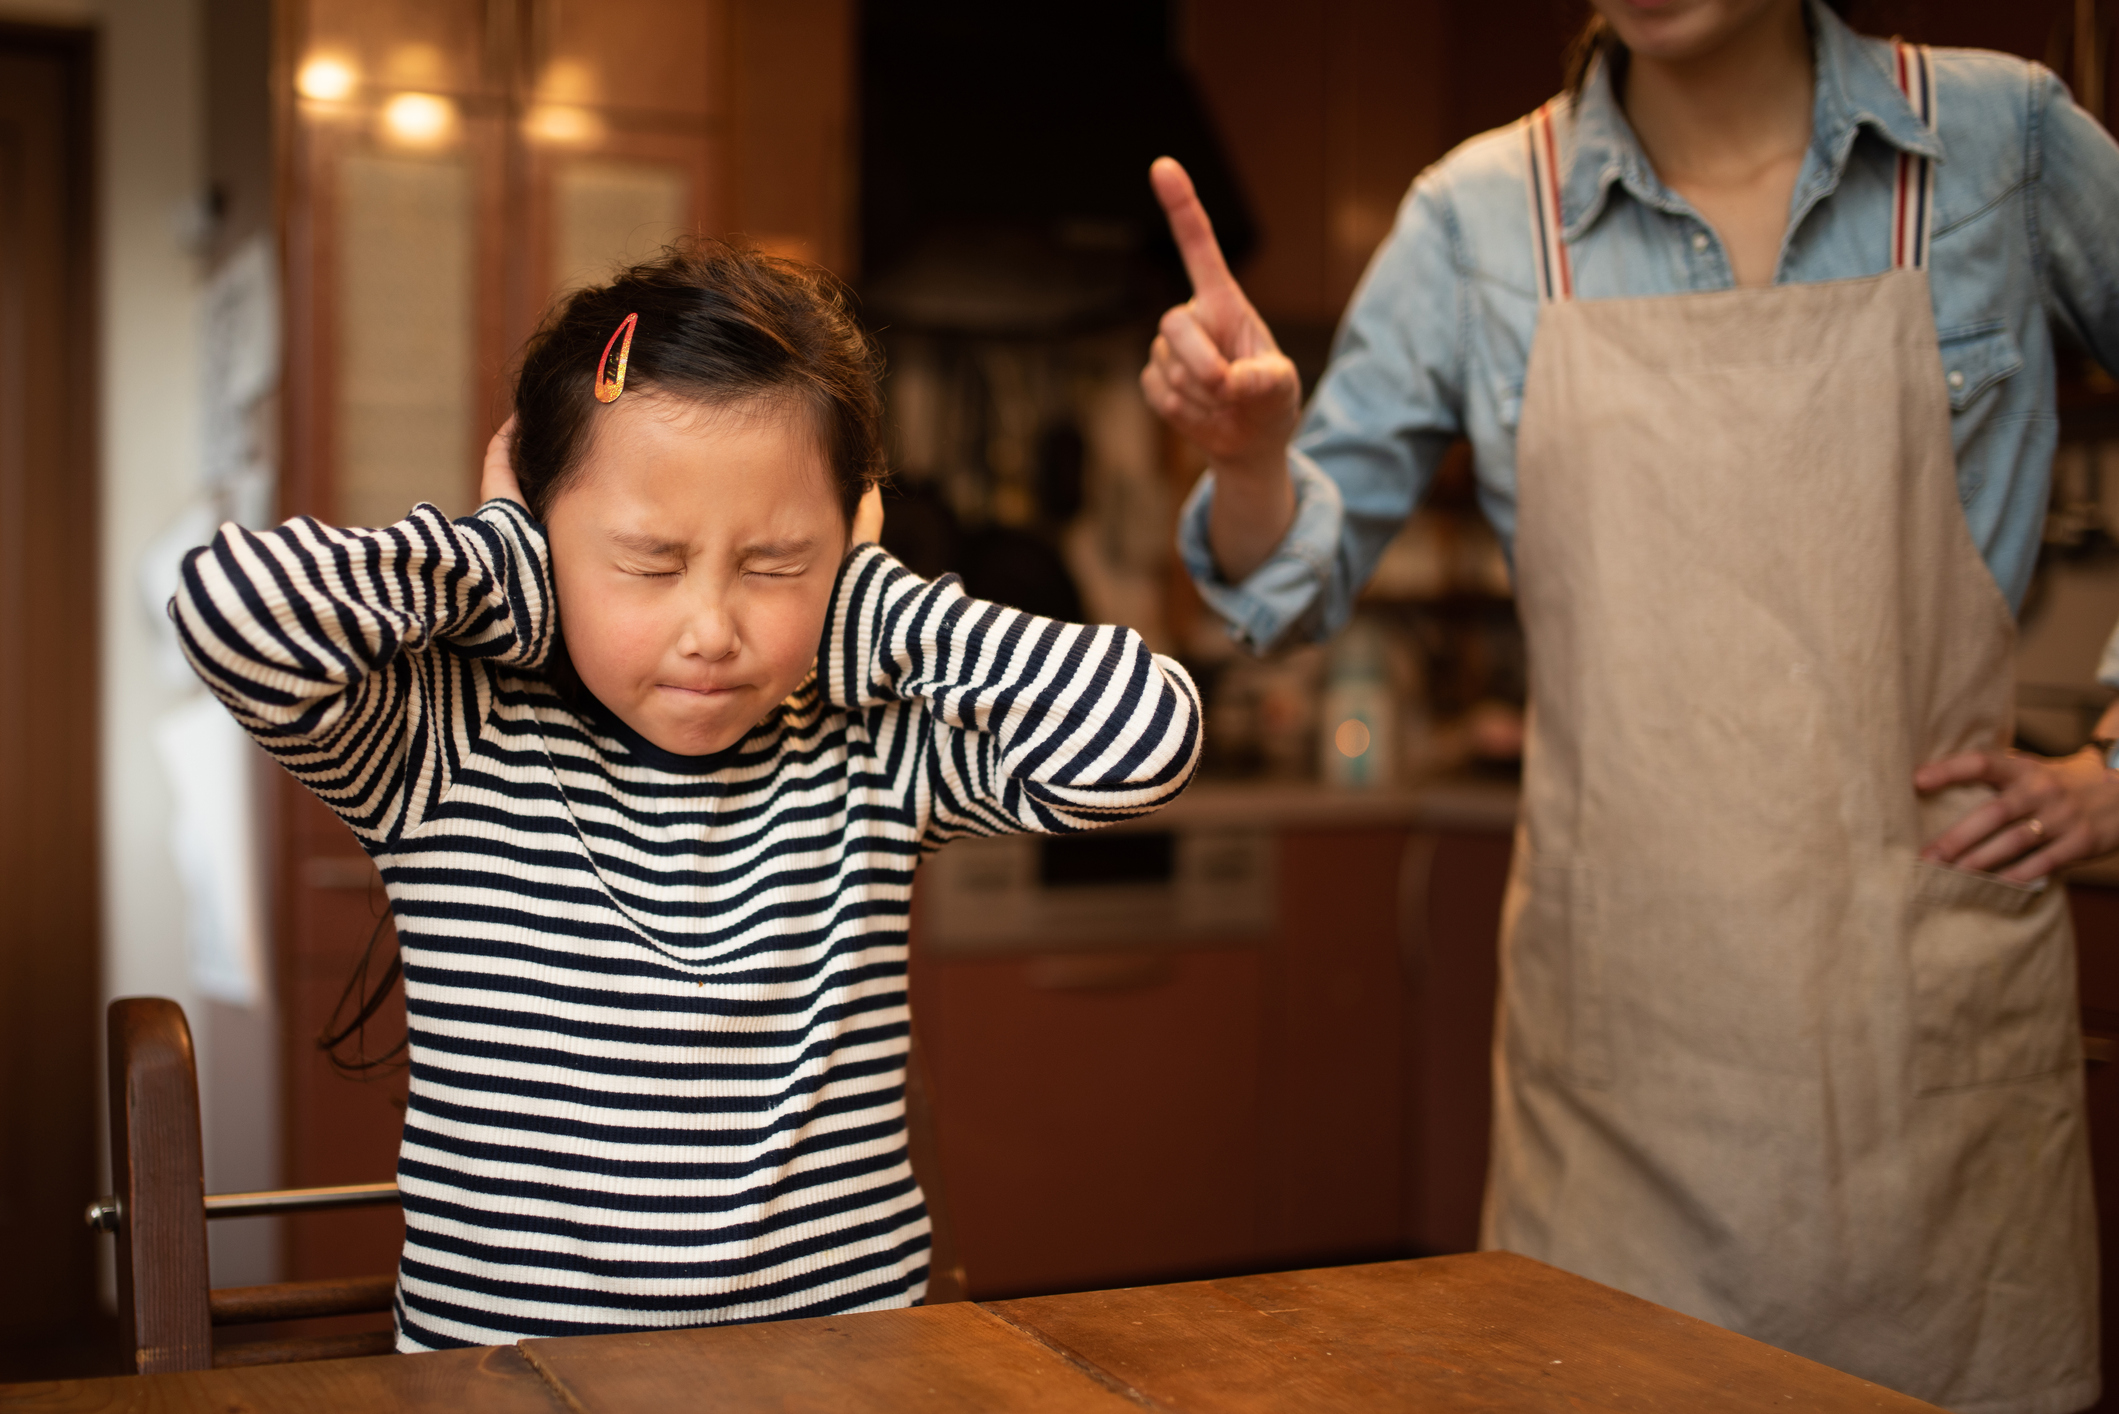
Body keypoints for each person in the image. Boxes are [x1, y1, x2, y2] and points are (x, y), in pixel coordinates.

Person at [1142, 0, 2119, 1408]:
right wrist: (1249, 462)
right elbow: (1281, 587)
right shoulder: (1476, 217)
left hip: (1925, 1072)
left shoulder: (1998, 143)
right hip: (1616, 1073)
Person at [173, 240, 1201, 1350]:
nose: (711, 631)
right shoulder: (449, 742)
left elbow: (1142, 737)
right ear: (539, 527)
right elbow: (231, 611)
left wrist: (862, 606)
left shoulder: (867, 751)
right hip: (512, 1382)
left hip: (843, 1375)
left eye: (774, 564)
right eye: (650, 564)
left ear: (850, 540)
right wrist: (497, 565)